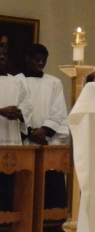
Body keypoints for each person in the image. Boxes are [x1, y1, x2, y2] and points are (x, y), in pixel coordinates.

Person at [16, 43, 69, 209]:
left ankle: (50, 224)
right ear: (27, 59)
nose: (41, 63)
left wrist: (44, 131)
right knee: (23, 188)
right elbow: (16, 109)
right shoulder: (15, 81)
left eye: (43, 60)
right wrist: (30, 132)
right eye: (37, 59)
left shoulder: (54, 83)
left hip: (47, 141)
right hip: (24, 141)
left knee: (50, 188)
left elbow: (58, 111)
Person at [0, 39, 32, 212]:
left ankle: (6, 221)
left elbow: (28, 106)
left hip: (11, 137)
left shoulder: (17, 81)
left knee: (8, 184)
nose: (1, 58)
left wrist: (19, 113)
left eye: (4, 55)